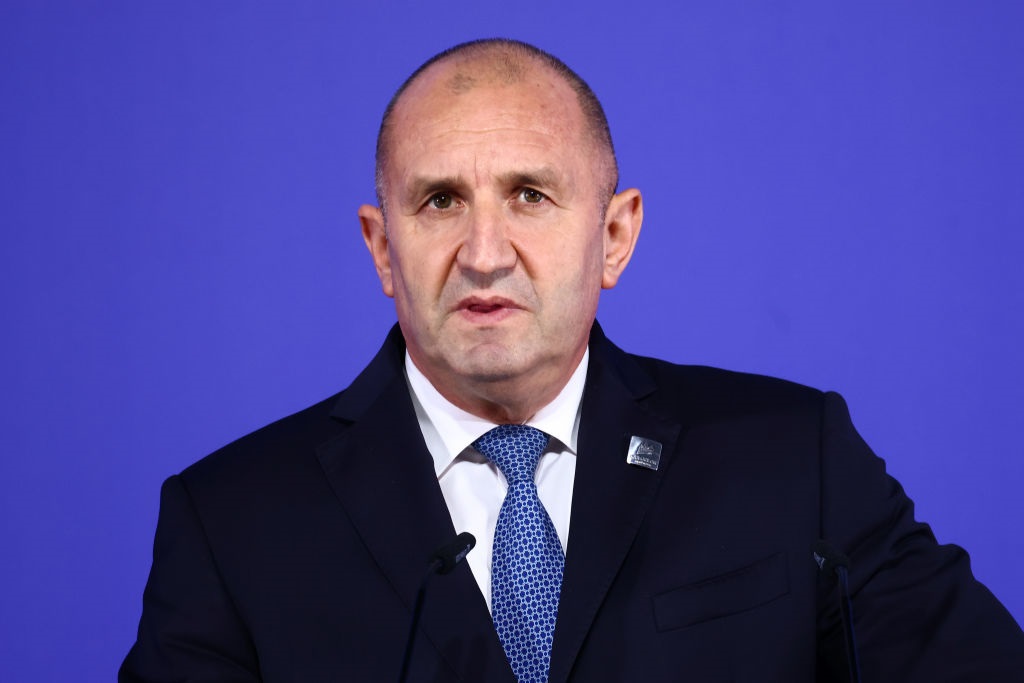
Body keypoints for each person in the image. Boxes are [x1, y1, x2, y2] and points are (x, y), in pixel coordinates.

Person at [121, 39, 1024, 682]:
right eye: (440, 201)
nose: (484, 253)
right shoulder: (230, 522)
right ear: (383, 248)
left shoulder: (794, 460)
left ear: (615, 235)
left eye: (529, 194)